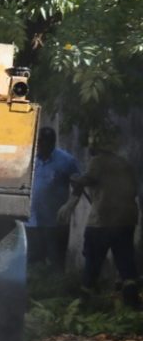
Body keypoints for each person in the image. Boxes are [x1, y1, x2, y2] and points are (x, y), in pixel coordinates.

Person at [60, 129, 140, 308]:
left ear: (95, 144)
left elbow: (85, 180)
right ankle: (131, 303)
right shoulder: (123, 163)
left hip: (102, 221)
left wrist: (70, 203)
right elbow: (133, 190)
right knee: (126, 262)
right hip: (126, 220)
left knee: (92, 261)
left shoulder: (97, 161)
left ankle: (84, 303)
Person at [26, 126, 81, 272]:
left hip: (55, 222)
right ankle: (34, 290)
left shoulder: (67, 161)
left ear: (52, 144)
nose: (41, 147)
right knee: (32, 262)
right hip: (32, 221)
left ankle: (56, 288)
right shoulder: (29, 158)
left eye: (45, 144)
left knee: (56, 261)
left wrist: (69, 206)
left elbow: (78, 186)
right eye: (39, 143)